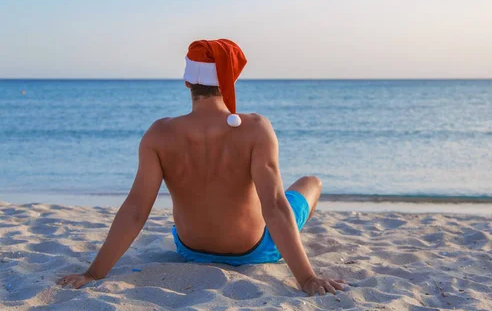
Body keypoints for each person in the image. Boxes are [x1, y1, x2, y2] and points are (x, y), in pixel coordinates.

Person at [57, 39, 345, 296]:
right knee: (310, 183)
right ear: (231, 78)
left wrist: (93, 273)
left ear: (187, 82)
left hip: (190, 249)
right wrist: (307, 278)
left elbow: (135, 210)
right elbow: (275, 207)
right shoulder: (255, 128)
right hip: (253, 250)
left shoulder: (159, 133)